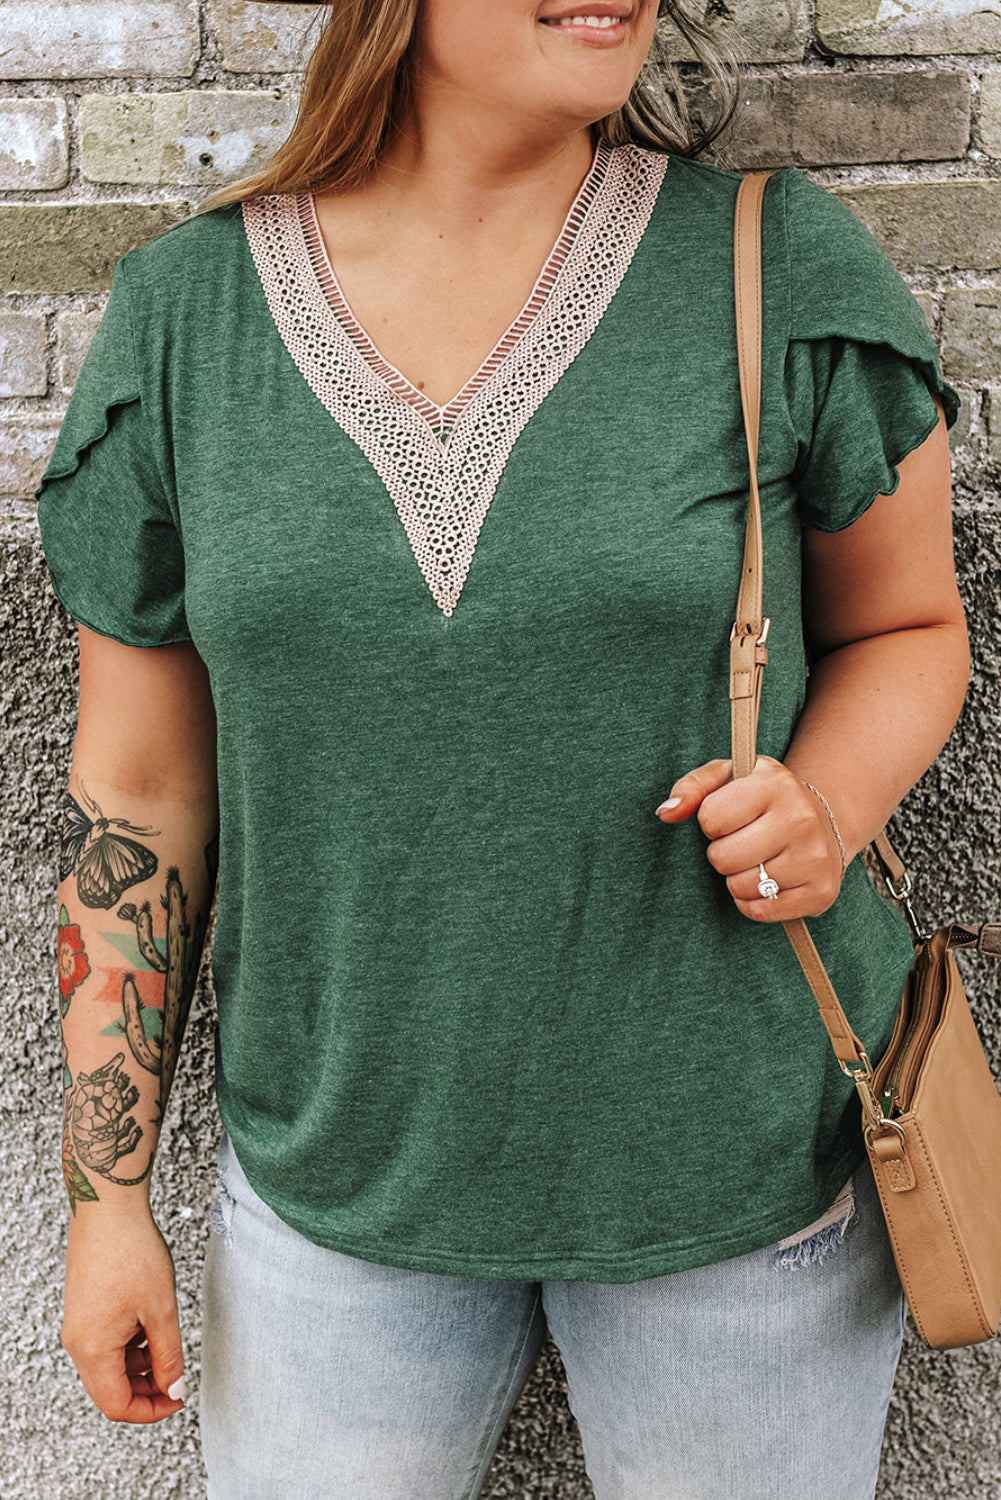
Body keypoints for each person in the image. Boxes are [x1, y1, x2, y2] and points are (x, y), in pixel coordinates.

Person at [38, 1, 970, 1496]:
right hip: (334, 1201)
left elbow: (911, 627)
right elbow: (139, 798)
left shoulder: (770, 262)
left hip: (736, 1182)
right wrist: (108, 1200)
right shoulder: (187, 317)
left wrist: (827, 798)